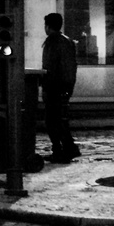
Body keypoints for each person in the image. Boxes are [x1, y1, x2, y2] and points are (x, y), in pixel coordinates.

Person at [42, 12, 79, 163]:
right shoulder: (66, 41)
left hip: (55, 87)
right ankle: (66, 149)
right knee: (59, 120)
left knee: (53, 121)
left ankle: (63, 150)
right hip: (62, 86)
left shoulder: (54, 42)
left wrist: (46, 86)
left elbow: (53, 67)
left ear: (48, 26)